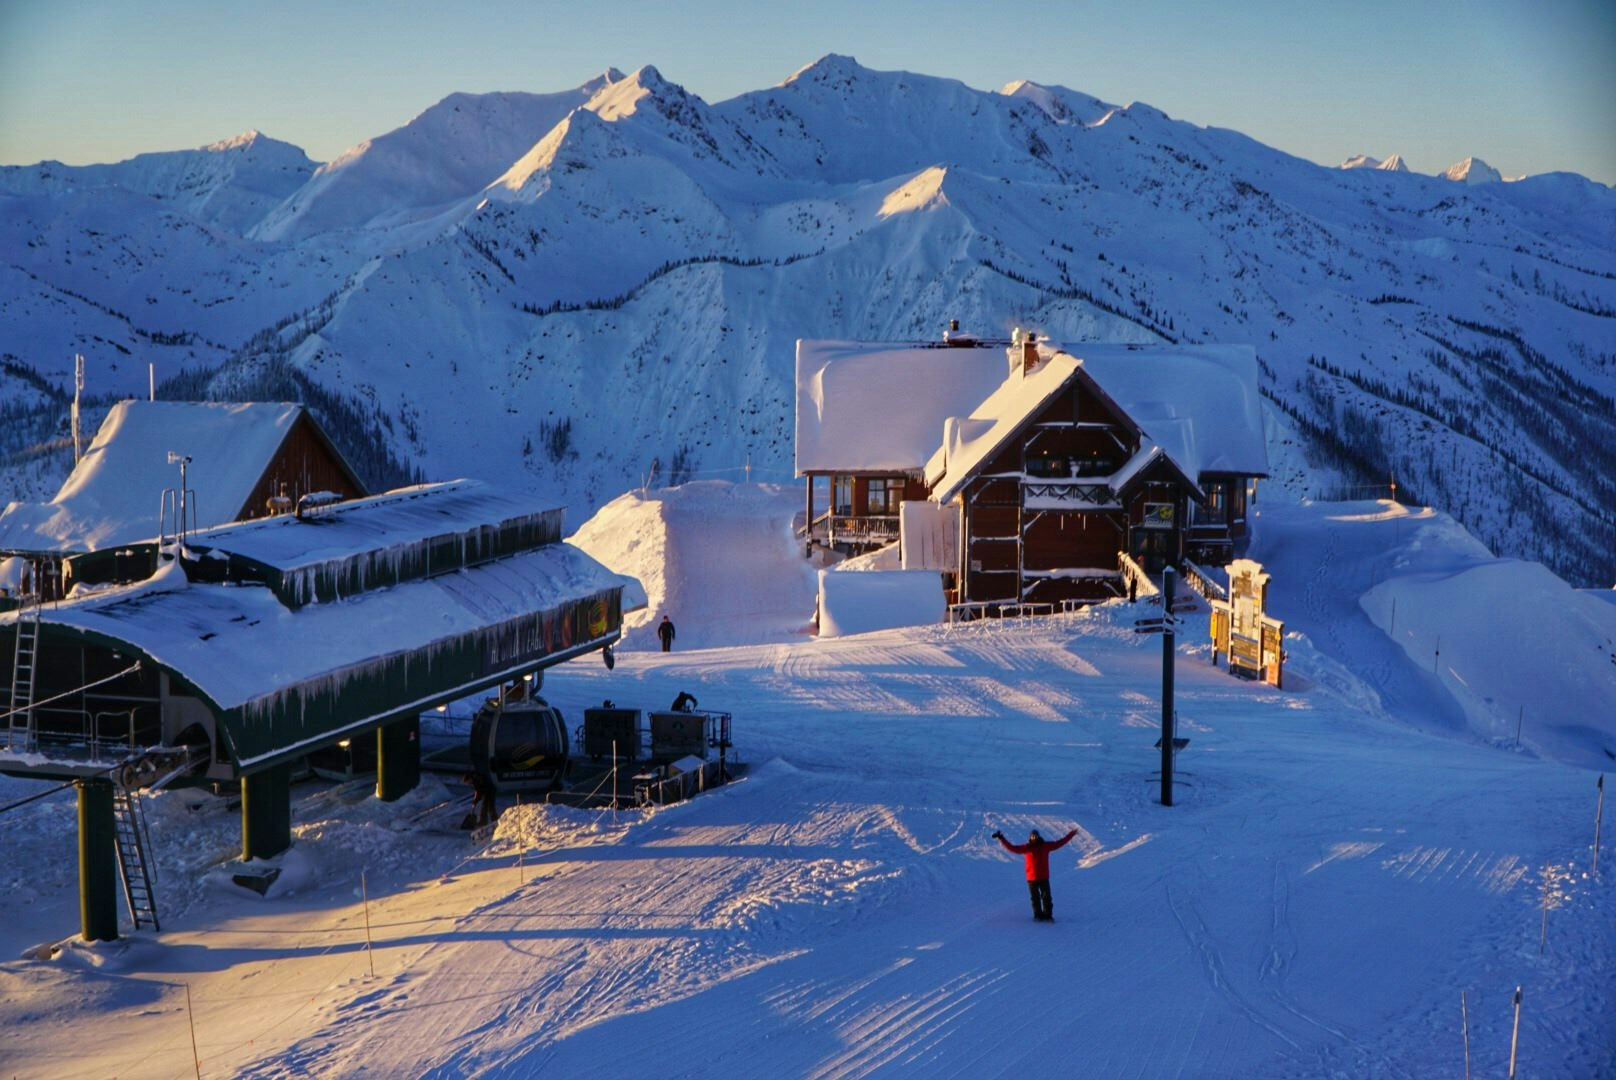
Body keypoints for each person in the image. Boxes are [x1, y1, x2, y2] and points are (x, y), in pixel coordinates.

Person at [993, 826, 1079, 921]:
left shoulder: (1045, 846)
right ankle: (1037, 915)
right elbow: (1012, 848)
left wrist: (1071, 834)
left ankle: (1048, 915)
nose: (1034, 837)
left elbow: (1060, 843)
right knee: (1035, 898)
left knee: (1046, 897)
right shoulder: (1027, 847)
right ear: (1030, 837)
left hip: (1043, 877)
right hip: (1031, 878)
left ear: (1038, 836)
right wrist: (1001, 838)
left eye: (1035, 835)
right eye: (1032, 836)